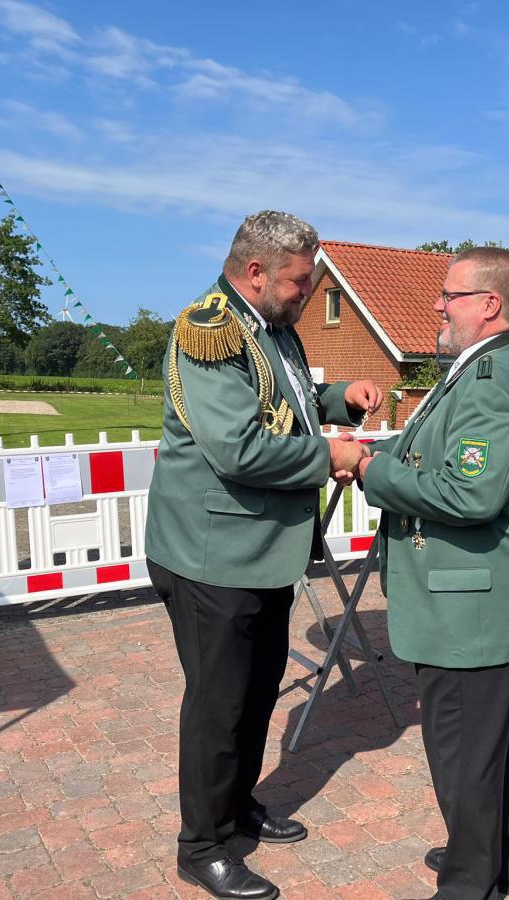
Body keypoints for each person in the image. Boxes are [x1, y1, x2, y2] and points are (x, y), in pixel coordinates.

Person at [145, 210, 380, 900]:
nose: (309, 293)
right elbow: (237, 448)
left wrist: (341, 400)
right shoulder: (211, 329)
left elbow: (288, 405)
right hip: (214, 555)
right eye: (301, 282)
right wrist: (331, 456)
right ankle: (202, 844)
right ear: (257, 271)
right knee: (218, 706)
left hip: (262, 553)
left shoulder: (272, 329)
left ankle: (237, 805)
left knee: (254, 696)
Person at [357, 247, 509, 900]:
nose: (438, 306)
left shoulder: (490, 381)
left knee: (464, 758)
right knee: (491, 752)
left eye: (449, 295)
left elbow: (468, 495)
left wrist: (369, 472)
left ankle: (470, 881)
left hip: (474, 609)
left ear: (489, 305)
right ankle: (501, 860)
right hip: (494, 600)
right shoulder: (486, 369)